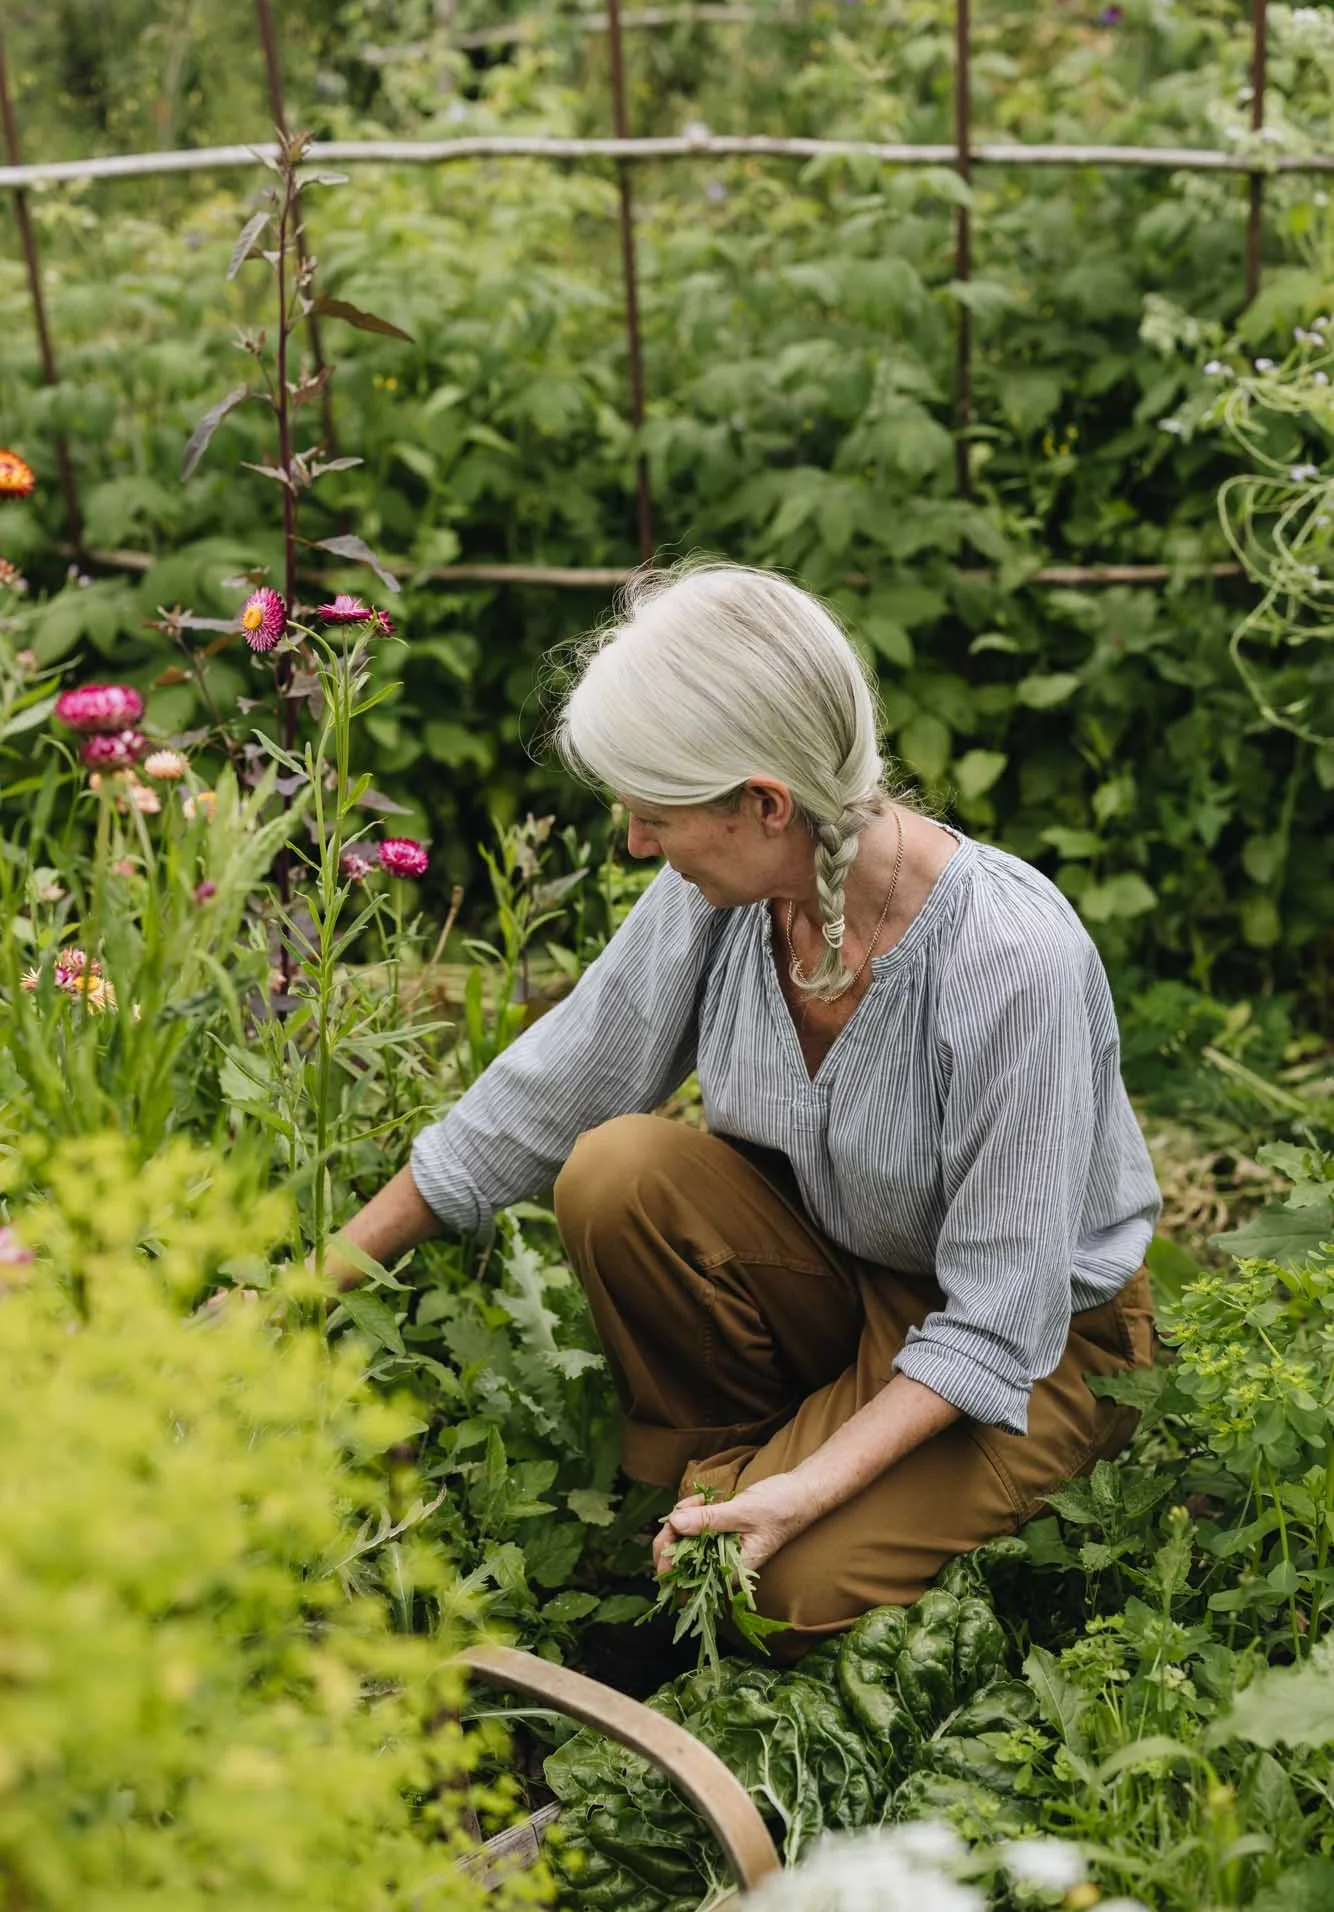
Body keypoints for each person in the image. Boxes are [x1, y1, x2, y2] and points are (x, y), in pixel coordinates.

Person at [333, 561, 1160, 1650]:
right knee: (616, 1168)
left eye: (652, 812)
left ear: (763, 802)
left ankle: (738, 1501)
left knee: (764, 1589)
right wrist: (317, 1276)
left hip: (1026, 1351)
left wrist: (802, 1492)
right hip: (840, 1279)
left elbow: (997, 1323)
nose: (633, 841)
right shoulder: (721, 894)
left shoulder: (1007, 959)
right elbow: (554, 1089)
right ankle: (722, 1483)